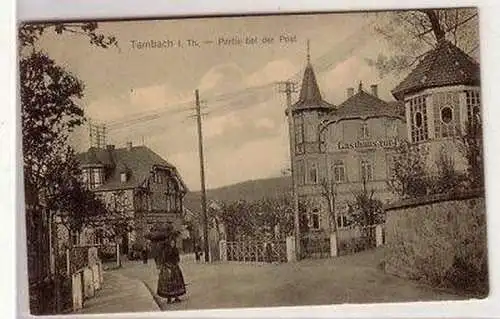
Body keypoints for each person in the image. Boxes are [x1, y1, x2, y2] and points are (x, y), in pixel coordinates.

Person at [156, 238, 186, 303]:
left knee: (177, 282)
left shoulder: (175, 250)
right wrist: (165, 266)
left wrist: (176, 262)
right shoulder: (166, 250)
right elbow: (163, 259)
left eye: (174, 243)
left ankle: (176, 297)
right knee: (168, 283)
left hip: (174, 267)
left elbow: (177, 258)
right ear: (169, 243)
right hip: (167, 267)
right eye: (172, 243)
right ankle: (169, 298)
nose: (173, 244)